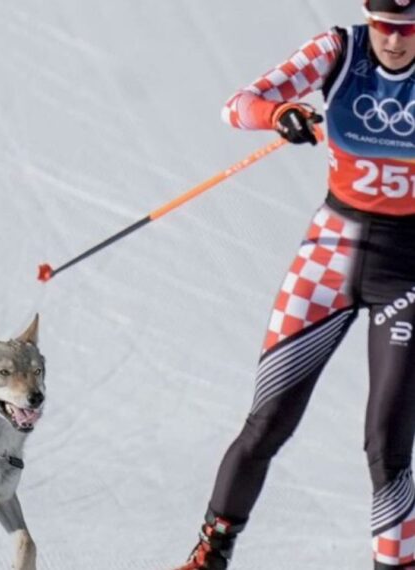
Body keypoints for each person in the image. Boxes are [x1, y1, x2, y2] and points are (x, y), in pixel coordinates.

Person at [178, 1, 415, 569]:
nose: (395, 41)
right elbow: (237, 106)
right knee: (268, 422)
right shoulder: (339, 50)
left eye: (408, 30)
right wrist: (280, 112)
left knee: (387, 442)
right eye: (385, 27)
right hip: (328, 256)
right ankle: (210, 554)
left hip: (406, 270)